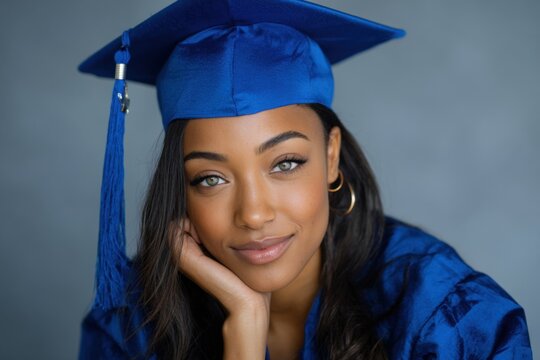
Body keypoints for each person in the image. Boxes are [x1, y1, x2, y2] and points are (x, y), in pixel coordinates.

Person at [77, 0, 532, 359]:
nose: (254, 214)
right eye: (211, 178)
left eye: (286, 163)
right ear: (179, 189)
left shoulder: (447, 317)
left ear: (331, 157)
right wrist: (244, 337)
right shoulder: (132, 327)